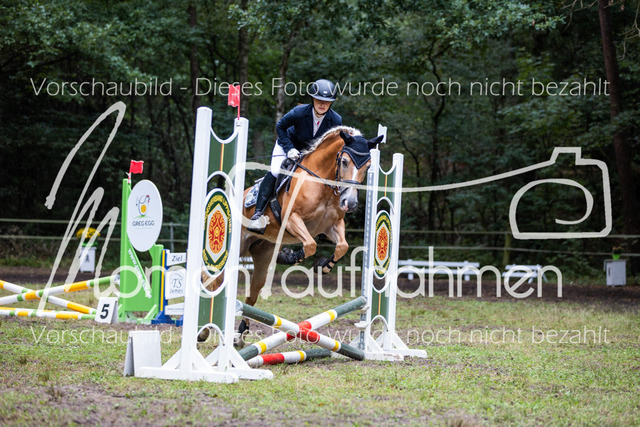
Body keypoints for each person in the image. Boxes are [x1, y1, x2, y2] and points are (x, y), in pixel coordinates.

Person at [248, 78, 342, 233]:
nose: (322, 104)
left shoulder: (335, 120)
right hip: (287, 145)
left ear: (331, 103)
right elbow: (280, 126)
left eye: (327, 101)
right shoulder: (300, 112)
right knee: (276, 171)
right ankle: (257, 214)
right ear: (313, 99)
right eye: (319, 100)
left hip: (309, 153)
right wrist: (289, 149)